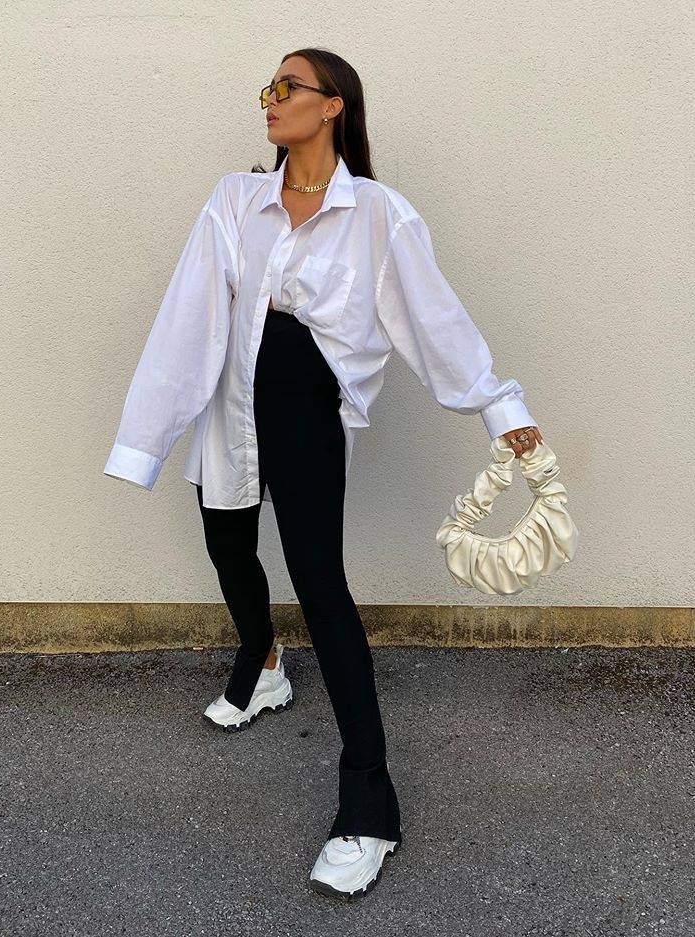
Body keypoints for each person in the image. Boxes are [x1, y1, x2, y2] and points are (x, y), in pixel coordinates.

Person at [103, 47, 543, 901]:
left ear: (333, 104)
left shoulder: (378, 214)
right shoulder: (236, 199)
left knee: (319, 583)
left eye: (287, 87)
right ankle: (262, 659)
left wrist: (500, 406)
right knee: (227, 543)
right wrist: (147, 434)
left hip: (306, 406)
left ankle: (370, 803)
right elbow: (190, 313)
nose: (270, 100)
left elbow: (433, 320)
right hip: (233, 394)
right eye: (268, 89)